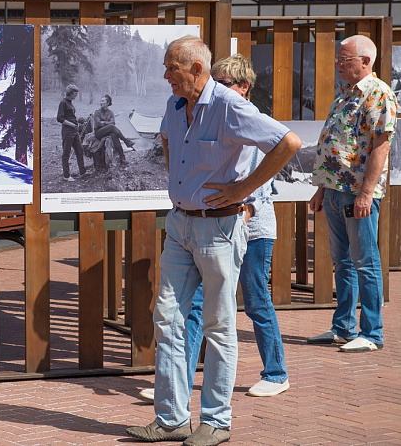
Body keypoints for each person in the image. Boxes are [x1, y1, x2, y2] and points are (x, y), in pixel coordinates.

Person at [125, 36, 301, 446]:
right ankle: (171, 420)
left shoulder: (230, 105)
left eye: (172, 67)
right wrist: (180, 187)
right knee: (167, 320)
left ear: (197, 70)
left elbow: (288, 143)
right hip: (181, 225)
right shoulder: (175, 106)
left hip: (219, 229)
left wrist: (243, 190)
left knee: (218, 326)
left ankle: (217, 421)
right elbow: (170, 140)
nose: (165, 75)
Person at [307, 35, 397, 353]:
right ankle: (343, 327)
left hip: (356, 193)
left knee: (365, 262)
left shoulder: (378, 94)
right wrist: (321, 187)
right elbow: (337, 146)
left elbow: (380, 147)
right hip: (334, 190)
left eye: (345, 59)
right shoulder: (346, 93)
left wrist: (365, 193)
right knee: (342, 261)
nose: (338, 64)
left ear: (365, 61)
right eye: (339, 59)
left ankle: (372, 333)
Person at [56, 84, 88, 181]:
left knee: (79, 150)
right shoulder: (63, 103)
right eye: (75, 93)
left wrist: (78, 122)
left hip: (75, 131)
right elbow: (60, 118)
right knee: (66, 153)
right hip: (67, 131)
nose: (76, 95)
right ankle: (66, 175)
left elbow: (70, 116)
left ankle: (82, 172)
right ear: (70, 93)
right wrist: (71, 124)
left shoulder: (70, 103)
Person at [91, 94, 135, 165]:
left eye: (103, 101)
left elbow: (113, 122)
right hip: (98, 132)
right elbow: (98, 123)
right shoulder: (97, 112)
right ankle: (126, 141)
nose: (101, 102)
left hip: (108, 131)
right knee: (111, 127)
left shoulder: (110, 112)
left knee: (114, 135)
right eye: (100, 101)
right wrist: (107, 123)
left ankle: (122, 158)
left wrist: (104, 123)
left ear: (108, 103)